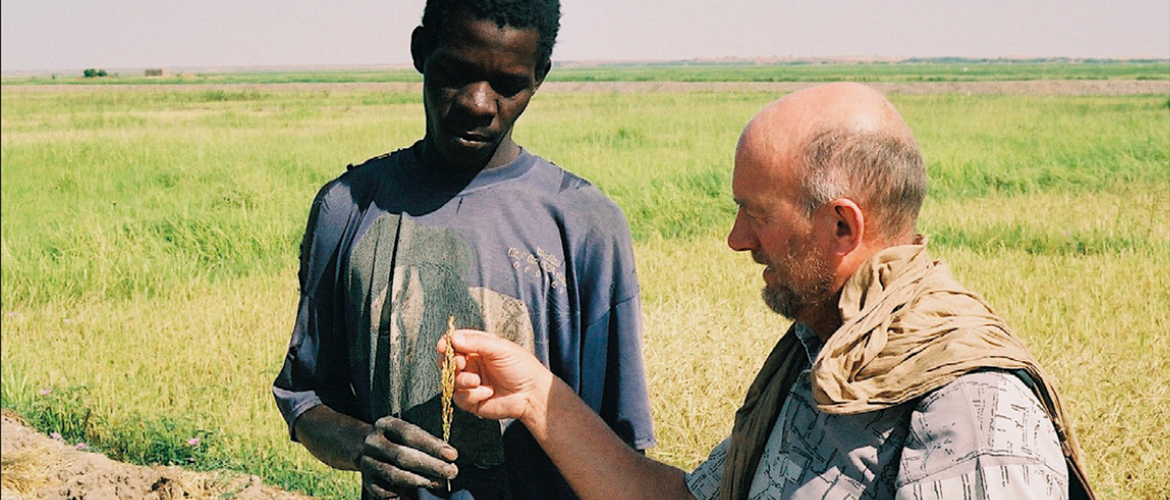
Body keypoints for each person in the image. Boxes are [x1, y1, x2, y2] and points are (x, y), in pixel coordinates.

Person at [441, 82, 1096, 500]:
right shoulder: (829, 354)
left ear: (842, 224)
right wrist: (534, 392)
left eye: (756, 212)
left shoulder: (971, 408)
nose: (736, 239)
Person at [271, 1, 656, 498]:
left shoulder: (585, 223)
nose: (478, 103)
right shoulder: (346, 208)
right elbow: (306, 400)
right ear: (420, 52)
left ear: (539, 77)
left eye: (509, 84)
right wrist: (363, 444)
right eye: (456, 72)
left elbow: (622, 453)